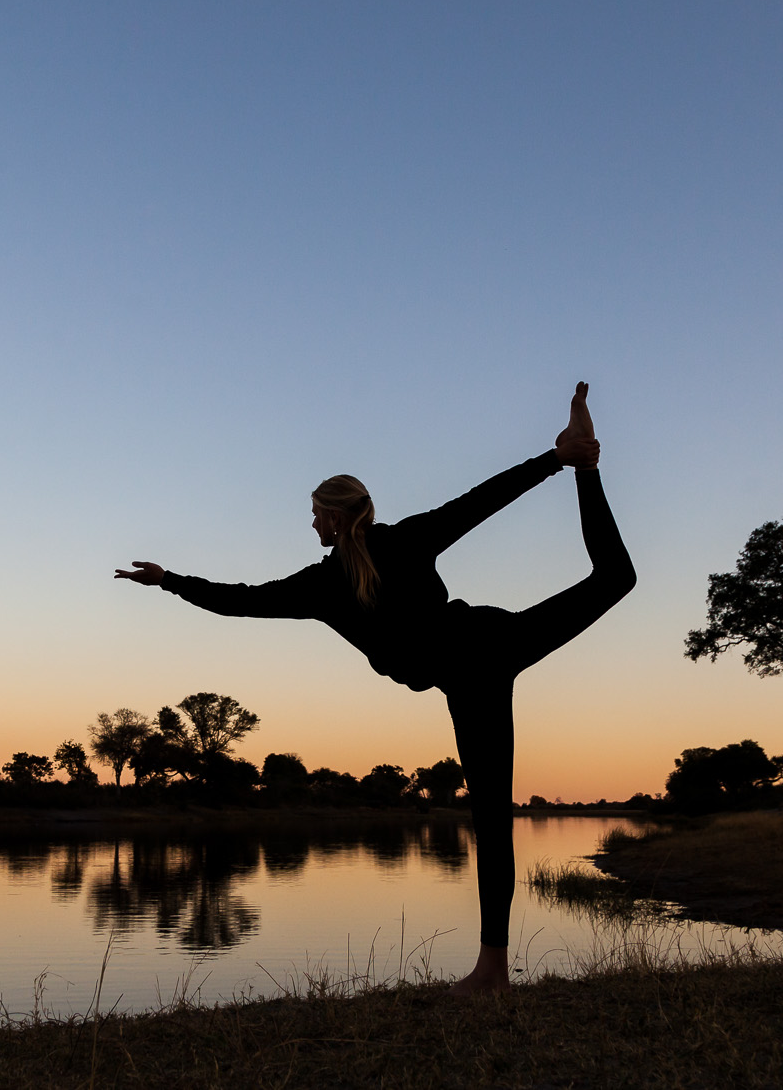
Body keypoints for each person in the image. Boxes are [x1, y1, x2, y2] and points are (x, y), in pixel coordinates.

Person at [115, 382, 635, 994]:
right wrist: (555, 461)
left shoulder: (326, 581)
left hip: (477, 666)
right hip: (492, 650)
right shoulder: (370, 557)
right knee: (614, 579)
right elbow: (480, 501)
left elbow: (240, 602)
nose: (310, 522)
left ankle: (493, 970)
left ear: (334, 518)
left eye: (314, 513)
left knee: (493, 818)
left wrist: (170, 581)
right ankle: (492, 971)